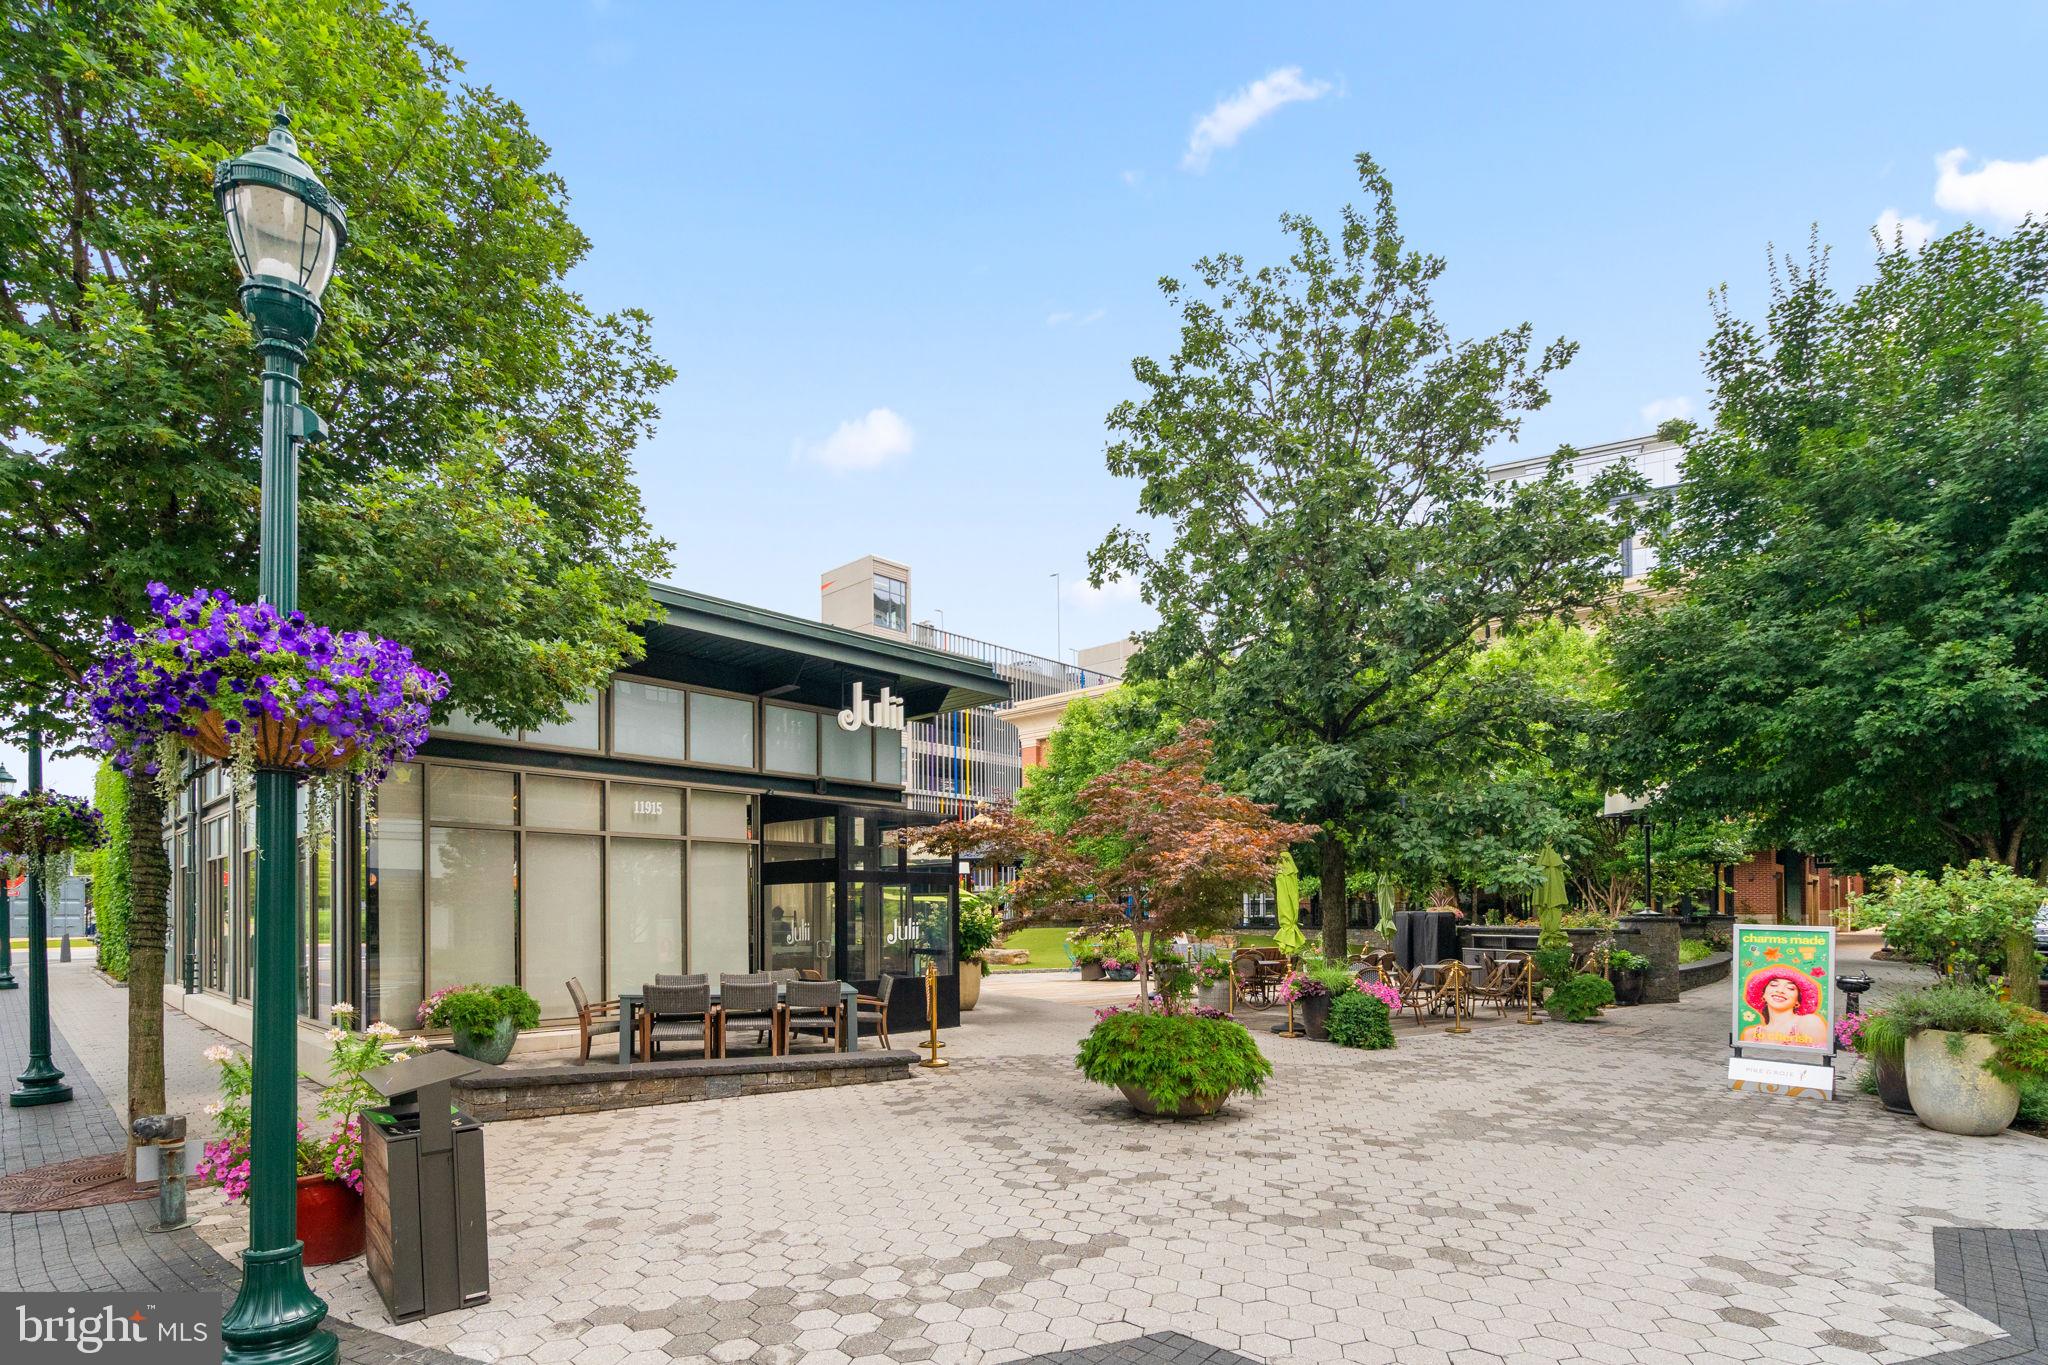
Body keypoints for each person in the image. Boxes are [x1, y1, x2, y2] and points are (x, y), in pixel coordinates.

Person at [1738, 966, 1827, 1048]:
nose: (1780, 991)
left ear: (1798, 1001)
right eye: (1774, 985)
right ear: (1763, 994)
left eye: (1790, 988)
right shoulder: (1750, 1034)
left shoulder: (1809, 1022)